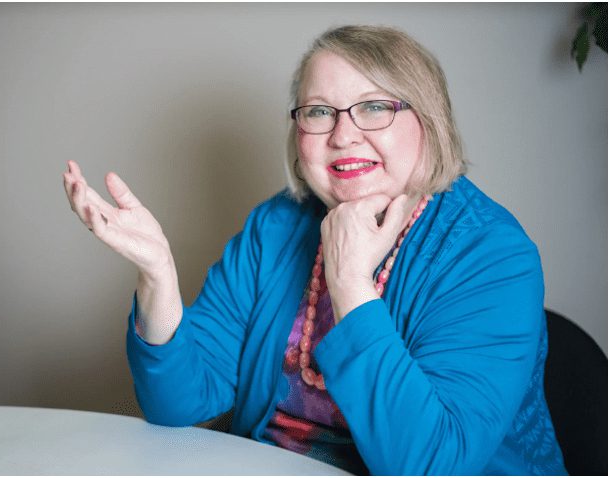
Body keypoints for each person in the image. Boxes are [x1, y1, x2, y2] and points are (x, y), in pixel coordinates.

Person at [62, 25, 566, 475]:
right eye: (319, 112)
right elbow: (176, 403)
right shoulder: (276, 225)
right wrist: (158, 277)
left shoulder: (491, 254)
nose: (344, 135)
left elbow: (431, 465)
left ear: (430, 124)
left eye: (374, 107)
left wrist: (349, 283)